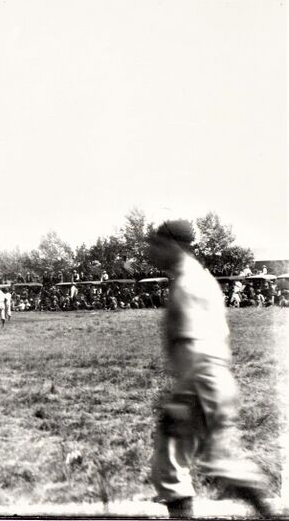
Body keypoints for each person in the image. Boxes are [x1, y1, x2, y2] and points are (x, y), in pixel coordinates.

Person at [147, 220, 274, 518]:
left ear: (173, 245)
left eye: (156, 244)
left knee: (170, 466)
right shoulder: (196, 278)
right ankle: (269, 512)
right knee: (221, 464)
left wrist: (181, 397)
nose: (151, 251)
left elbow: (197, 346)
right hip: (215, 381)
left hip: (200, 381)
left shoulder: (189, 285)